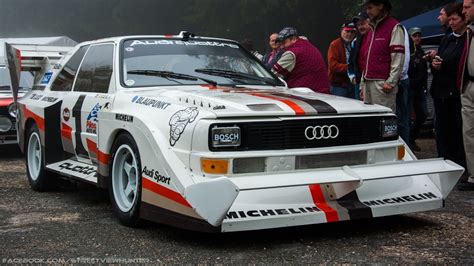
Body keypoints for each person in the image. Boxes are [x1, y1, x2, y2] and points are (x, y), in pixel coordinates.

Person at [429, 3, 467, 170]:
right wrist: (435, 61)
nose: (451, 22)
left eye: (454, 19)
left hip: (455, 94)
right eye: (450, 19)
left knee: (456, 131)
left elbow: (462, 65)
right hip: (440, 92)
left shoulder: (467, 40)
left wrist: (443, 65)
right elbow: (442, 59)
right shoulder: (447, 38)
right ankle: (444, 162)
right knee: (442, 130)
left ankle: (459, 164)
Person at [360, 0, 405, 113]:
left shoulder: (394, 26)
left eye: (370, 7)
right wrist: (362, 83)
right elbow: (367, 59)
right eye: (367, 8)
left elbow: (398, 57)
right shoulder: (370, 29)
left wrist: (391, 82)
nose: (367, 11)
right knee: (369, 122)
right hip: (368, 83)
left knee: (384, 122)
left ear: (380, 5)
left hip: (382, 84)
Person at [272, 27, 330, 93]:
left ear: (293, 39)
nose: (281, 46)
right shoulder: (308, 46)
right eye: (280, 43)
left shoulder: (292, 53)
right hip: (323, 93)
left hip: (306, 96)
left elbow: (272, 76)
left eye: (284, 42)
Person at [457, 0, 474, 191]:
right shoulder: (468, 32)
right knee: (469, 132)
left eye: (467, 7)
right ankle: (473, 174)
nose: (463, 11)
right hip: (467, 84)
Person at [408, 27, 428, 152]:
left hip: (420, 89)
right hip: (410, 89)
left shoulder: (421, 51)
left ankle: (412, 137)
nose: (417, 38)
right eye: (414, 36)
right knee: (407, 117)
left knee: (423, 114)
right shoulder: (407, 51)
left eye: (419, 36)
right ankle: (407, 142)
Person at [328, 23, 357, 98]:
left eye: (352, 32)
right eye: (347, 31)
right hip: (338, 85)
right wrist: (351, 68)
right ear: (341, 31)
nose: (349, 34)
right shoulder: (335, 44)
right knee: (340, 107)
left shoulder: (356, 44)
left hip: (353, 84)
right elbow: (333, 66)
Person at [349, 11, 371, 100]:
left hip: (374, 80)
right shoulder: (356, 41)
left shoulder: (375, 37)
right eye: (358, 25)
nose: (360, 27)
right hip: (359, 81)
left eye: (362, 23)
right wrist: (352, 76)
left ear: (369, 22)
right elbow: (351, 60)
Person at [396, 25, 411, 144]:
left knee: (401, 117)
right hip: (393, 79)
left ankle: (405, 149)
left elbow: (404, 54)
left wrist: (399, 76)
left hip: (399, 79)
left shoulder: (398, 27)